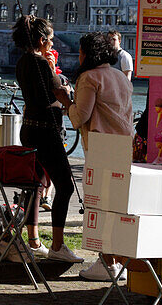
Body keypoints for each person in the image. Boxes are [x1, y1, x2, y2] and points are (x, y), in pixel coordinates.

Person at [56, 32, 133, 281]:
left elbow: (80, 118)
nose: (78, 56)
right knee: (116, 206)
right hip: (124, 147)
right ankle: (117, 261)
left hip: (101, 149)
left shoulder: (89, 78)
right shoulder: (120, 76)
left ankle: (105, 262)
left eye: (80, 52)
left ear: (87, 54)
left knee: (98, 205)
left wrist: (65, 101)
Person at [11, 15, 82, 263]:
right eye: (50, 40)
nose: (53, 45)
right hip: (46, 131)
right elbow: (59, 91)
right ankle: (58, 246)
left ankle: (34, 241)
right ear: (41, 40)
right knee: (65, 185)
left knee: (36, 186)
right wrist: (74, 106)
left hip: (29, 128)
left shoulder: (22, 62)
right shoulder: (41, 64)